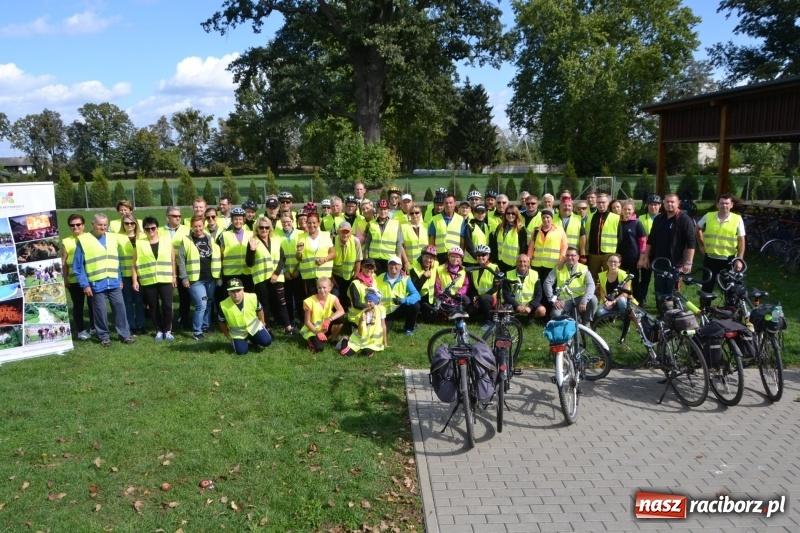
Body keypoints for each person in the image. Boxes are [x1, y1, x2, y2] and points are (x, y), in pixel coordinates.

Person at [72, 213, 135, 347]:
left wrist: (119, 277)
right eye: (100, 224)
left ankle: (125, 334)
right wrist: (85, 285)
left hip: (113, 281)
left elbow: (115, 260)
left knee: (120, 308)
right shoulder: (84, 240)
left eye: (105, 225)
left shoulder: (112, 238)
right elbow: (77, 266)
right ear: (93, 224)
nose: (103, 227)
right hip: (96, 283)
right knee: (100, 311)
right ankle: (104, 337)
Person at [639, 193, 696, 300]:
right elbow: (650, 240)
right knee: (659, 292)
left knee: (672, 293)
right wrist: (646, 257)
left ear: (678, 203)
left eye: (672, 202)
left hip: (676, 262)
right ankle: (661, 313)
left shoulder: (684, 219)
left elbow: (691, 242)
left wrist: (689, 262)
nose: (670, 204)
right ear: (663, 203)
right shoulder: (659, 219)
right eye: (667, 202)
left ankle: (672, 314)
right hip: (659, 262)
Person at [246, 216, 293, 335]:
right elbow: (249, 263)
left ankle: (288, 328)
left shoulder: (276, 240)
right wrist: (252, 250)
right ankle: (267, 328)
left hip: (277, 277)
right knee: (264, 305)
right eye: (261, 227)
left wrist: (276, 273)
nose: (264, 230)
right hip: (261, 279)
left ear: (270, 228)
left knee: (281, 302)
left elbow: (283, 258)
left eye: (267, 227)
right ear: (257, 228)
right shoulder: (252, 241)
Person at [133, 216, 177, 341]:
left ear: (157, 228)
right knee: (153, 306)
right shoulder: (139, 243)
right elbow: (134, 263)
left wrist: (174, 276)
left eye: (153, 228)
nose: (150, 230)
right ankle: (158, 330)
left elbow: (173, 259)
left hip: (165, 278)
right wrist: (135, 280)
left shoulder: (167, 240)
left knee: (167, 305)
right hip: (148, 280)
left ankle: (167, 330)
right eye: (147, 229)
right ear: (144, 230)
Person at [178, 215, 221, 341]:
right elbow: (181, 260)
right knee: (201, 304)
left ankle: (206, 325)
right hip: (195, 279)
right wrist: (184, 278)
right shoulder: (186, 240)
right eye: (195, 226)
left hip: (210, 277)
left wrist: (218, 276)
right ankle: (197, 331)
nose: (198, 229)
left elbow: (216, 257)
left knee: (208, 302)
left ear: (204, 225)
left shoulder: (210, 238)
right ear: (191, 227)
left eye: (200, 226)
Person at [696, 193, 745, 293]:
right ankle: (705, 307)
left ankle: (729, 308)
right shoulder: (708, 216)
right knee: (706, 287)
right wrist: (701, 245)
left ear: (731, 205)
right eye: (722, 203)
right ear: (717, 205)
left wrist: (739, 259)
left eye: (727, 203)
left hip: (728, 260)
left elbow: (741, 240)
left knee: (729, 288)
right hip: (710, 259)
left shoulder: (737, 219)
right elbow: (697, 228)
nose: (724, 206)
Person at [218, 278, 273, 355]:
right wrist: (228, 336)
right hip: (238, 333)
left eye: (238, 290)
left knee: (267, 341)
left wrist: (262, 323)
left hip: (254, 328)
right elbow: (221, 322)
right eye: (233, 291)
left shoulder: (252, 297)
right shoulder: (224, 305)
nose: (236, 293)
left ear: (243, 290)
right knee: (241, 352)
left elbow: (260, 309)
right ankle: (242, 342)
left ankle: (253, 339)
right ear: (228, 292)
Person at [62, 214, 95, 340]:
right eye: (72, 225)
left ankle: (94, 327)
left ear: (83, 225)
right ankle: (81, 330)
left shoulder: (90, 238)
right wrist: (65, 278)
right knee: (78, 305)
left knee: (93, 304)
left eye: (78, 224)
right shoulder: (66, 241)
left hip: (90, 277)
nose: (75, 227)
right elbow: (64, 262)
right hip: (74, 280)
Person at [544, 247, 597, 324]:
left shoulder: (584, 268)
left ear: (578, 257)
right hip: (563, 300)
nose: (570, 257)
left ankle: (587, 322)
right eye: (568, 255)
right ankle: (573, 317)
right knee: (555, 315)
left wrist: (584, 300)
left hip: (579, 298)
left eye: (573, 255)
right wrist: (553, 299)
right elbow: (547, 282)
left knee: (593, 299)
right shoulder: (559, 267)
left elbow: (591, 285)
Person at [375, 255, 421, 335]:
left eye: (396, 264)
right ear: (388, 265)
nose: (393, 266)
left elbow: (416, 295)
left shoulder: (405, 279)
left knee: (415, 306)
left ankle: (408, 329)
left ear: (400, 266)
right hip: (384, 311)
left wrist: (403, 300)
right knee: (382, 332)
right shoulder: (378, 278)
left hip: (398, 308)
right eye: (391, 264)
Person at [162, 206, 191, 329]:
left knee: (184, 296)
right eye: (175, 216)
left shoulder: (187, 230)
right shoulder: (159, 230)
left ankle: (184, 319)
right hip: (165, 267)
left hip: (182, 267)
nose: (178, 218)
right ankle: (167, 321)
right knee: (166, 297)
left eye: (179, 216)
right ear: (167, 217)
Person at [300, 277, 346, 353]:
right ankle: (311, 340)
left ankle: (333, 340)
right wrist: (317, 332)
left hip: (325, 327)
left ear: (330, 287)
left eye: (324, 287)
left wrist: (329, 319)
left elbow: (341, 311)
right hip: (312, 330)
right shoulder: (309, 301)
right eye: (319, 288)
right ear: (316, 288)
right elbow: (307, 322)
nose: (322, 290)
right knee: (319, 348)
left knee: (340, 318)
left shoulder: (333, 297)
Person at [118, 213, 146, 335]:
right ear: (123, 224)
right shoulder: (117, 237)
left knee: (140, 301)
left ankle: (141, 325)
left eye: (132, 223)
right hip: (125, 274)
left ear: (136, 224)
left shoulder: (143, 236)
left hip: (141, 273)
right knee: (127, 301)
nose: (129, 225)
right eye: (126, 223)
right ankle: (131, 326)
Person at [296, 212, 335, 297]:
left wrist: (324, 259)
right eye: (309, 223)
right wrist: (298, 252)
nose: (311, 225)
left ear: (318, 223)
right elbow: (299, 259)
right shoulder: (301, 237)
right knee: (312, 302)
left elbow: (333, 253)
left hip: (324, 276)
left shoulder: (325, 235)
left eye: (314, 223)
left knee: (326, 300)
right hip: (309, 276)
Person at [339, 288, 386, 357]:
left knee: (365, 354)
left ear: (375, 302)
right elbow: (360, 331)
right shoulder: (362, 313)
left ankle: (368, 350)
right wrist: (361, 320)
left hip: (373, 341)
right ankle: (346, 339)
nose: (368, 303)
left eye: (370, 301)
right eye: (366, 301)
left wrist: (385, 342)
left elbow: (383, 326)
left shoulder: (380, 309)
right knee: (345, 353)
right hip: (361, 338)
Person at [616, 200, 647, 305]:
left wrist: (641, 258)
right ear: (622, 210)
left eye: (629, 209)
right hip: (620, 258)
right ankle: (621, 302)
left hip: (633, 258)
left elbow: (643, 241)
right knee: (621, 281)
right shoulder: (618, 222)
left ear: (633, 210)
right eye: (625, 209)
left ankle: (638, 302)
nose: (627, 211)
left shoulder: (637, 223)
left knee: (634, 281)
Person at [276, 212, 305, 326]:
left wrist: (298, 270)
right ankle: (291, 322)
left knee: (300, 298)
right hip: (285, 273)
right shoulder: (276, 235)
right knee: (287, 299)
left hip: (298, 271)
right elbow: (276, 256)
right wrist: (284, 271)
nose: (286, 224)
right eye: (283, 222)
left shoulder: (301, 234)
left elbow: (305, 254)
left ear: (293, 221)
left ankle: (303, 321)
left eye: (288, 221)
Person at [585, 193, 619, 284]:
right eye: (599, 202)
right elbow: (588, 236)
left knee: (609, 279)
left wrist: (617, 255)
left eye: (603, 202)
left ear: (608, 203)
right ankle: (596, 297)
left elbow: (620, 237)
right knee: (593, 280)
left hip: (609, 254)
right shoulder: (590, 217)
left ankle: (608, 297)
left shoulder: (616, 218)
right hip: (593, 254)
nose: (601, 204)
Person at [503, 254, 547, 324]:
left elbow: (539, 295)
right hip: (514, 304)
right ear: (516, 263)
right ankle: (513, 317)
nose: (522, 264)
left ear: (528, 263)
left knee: (542, 311)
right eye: (520, 261)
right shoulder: (508, 274)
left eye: (524, 262)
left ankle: (531, 317)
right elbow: (506, 294)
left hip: (529, 305)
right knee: (503, 310)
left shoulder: (535, 274)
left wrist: (530, 307)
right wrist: (517, 306)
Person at [527, 208, 567, 283]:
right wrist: (528, 260)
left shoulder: (559, 230)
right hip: (537, 264)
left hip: (552, 264)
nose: (545, 219)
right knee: (537, 285)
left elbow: (564, 247)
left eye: (548, 217)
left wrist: (562, 260)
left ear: (552, 218)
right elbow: (531, 247)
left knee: (549, 286)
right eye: (543, 217)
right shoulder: (536, 230)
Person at [365, 199, 404, 272]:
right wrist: (367, 260)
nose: (383, 211)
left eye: (385, 209)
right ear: (377, 210)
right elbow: (367, 243)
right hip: (374, 259)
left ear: (388, 210)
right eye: (380, 209)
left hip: (390, 260)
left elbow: (399, 244)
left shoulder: (396, 224)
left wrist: (399, 261)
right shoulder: (371, 224)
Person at [331, 221, 362, 309]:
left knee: (349, 299)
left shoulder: (356, 241)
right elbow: (328, 262)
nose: (345, 234)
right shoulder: (332, 241)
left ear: (351, 232)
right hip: (336, 276)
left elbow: (358, 260)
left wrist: (355, 278)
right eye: (342, 232)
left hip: (350, 276)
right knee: (335, 299)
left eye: (347, 232)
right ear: (338, 232)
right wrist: (331, 278)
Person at [638, 194, 662, 305]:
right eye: (651, 205)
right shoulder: (641, 218)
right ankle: (642, 299)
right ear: (647, 206)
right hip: (646, 253)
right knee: (645, 279)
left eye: (656, 205)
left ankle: (659, 302)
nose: (653, 207)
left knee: (659, 280)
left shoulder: (664, 218)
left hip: (659, 253)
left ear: (660, 206)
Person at [468, 244, 501, 323]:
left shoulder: (494, 267)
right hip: (480, 298)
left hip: (493, 297)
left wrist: (480, 298)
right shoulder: (474, 270)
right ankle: (483, 316)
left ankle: (490, 320)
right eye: (478, 255)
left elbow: (496, 288)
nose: (480, 257)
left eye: (483, 255)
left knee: (483, 299)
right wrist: (475, 297)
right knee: (470, 310)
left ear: (488, 256)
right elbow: (473, 287)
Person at [490, 205, 527, 272]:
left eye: (513, 214)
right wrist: (494, 260)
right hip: (500, 262)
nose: (510, 215)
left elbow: (523, 248)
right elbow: (494, 244)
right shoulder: (500, 227)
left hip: (513, 264)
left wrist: (521, 263)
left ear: (517, 215)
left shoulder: (521, 229)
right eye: (508, 213)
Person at [410, 245, 439, 322]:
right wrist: (424, 277)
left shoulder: (435, 264)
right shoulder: (414, 267)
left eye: (431, 258)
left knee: (431, 320)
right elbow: (414, 288)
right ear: (422, 256)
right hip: (417, 296)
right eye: (426, 257)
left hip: (429, 298)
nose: (429, 260)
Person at [401, 204, 427, 271]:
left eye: (417, 213)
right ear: (409, 215)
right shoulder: (403, 227)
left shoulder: (426, 226)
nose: (414, 215)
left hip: (424, 263)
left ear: (421, 214)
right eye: (412, 213)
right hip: (410, 264)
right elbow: (401, 246)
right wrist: (406, 261)